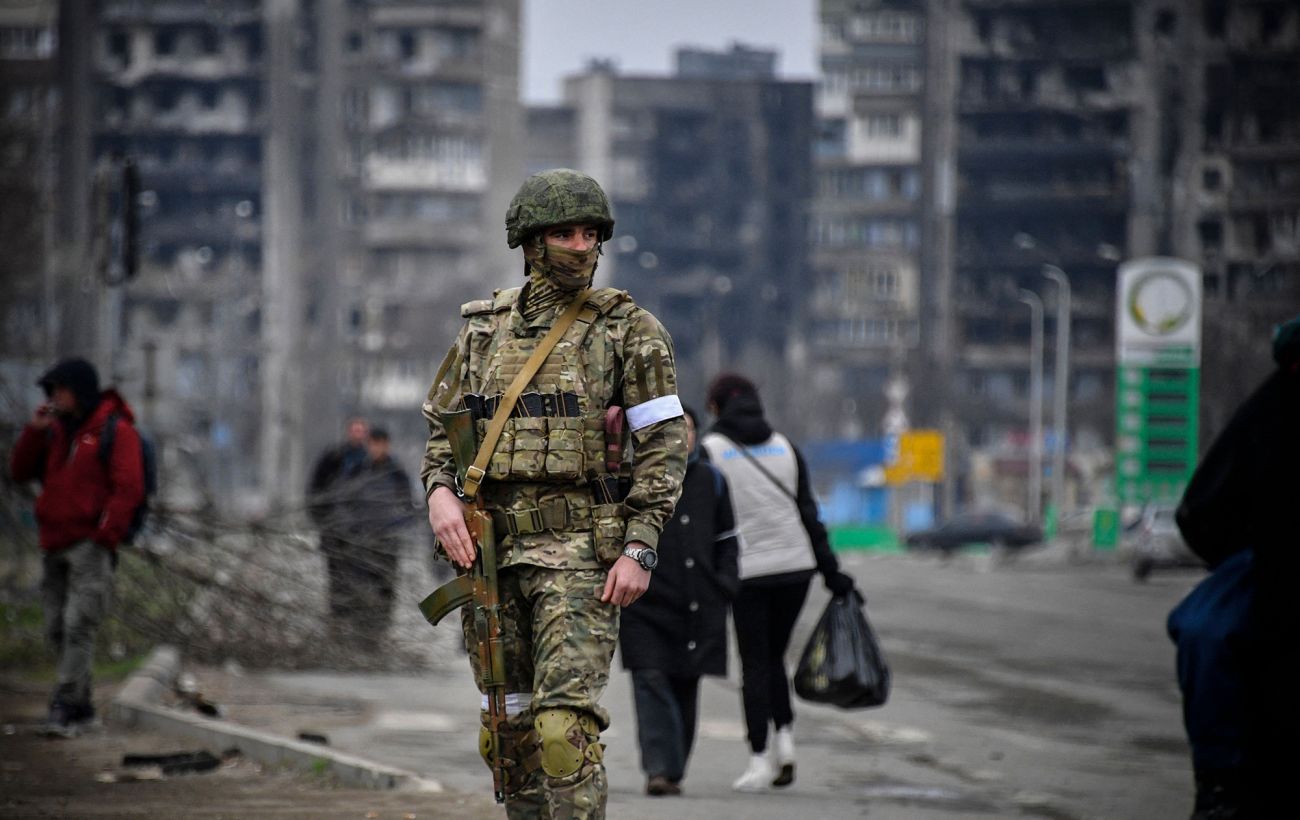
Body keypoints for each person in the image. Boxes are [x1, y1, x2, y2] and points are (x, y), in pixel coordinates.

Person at [421, 168, 687, 818]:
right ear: (531, 243)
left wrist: (641, 546)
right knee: (506, 735)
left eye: (591, 232)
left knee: (561, 735)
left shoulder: (630, 330)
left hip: (579, 558)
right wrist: (439, 494)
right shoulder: (483, 330)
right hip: (492, 558)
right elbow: (442, 432)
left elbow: (665, 445)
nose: (581, 244)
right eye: (565, 232)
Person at [1168, 314, 1300, 819]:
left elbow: (1203, 510)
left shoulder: (1277, 402)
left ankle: (1218, 784)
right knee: (1204, 626)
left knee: (1207, 627)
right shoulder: (1277, 407)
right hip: (1275, 569)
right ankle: (1219, 781)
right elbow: (1203, 509)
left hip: (1271, 575)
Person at [700, 373, 856, 792]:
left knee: (754, 664)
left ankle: (758, 758)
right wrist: (833, 574)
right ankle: (786, 744)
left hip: (747, 572)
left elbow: (704, 518)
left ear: (715, 407)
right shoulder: (786, 447)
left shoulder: (711, 450)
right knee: (775, 660)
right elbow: (809, 514)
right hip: (796, 569)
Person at [9, 357, 145, 736]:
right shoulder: (54, 433)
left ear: (79, 391)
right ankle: (81, 706)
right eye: (50, 391)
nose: (54, 397)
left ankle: (66, 704)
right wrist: (34, 432)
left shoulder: (115, 431)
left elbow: (128, 487)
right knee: (55, 626)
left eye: (60, 389)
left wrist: (105, 534)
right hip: (55, 543)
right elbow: (20, 471)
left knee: (78, 624)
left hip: (90, 546)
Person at [619, 405, 740, 797]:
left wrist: (725, 584)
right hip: (646, 602)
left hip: (698, 604)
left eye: (685, 429)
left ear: (696, 435)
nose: (679, 437)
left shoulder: (712, 481)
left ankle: (673, 768)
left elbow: (727, 541)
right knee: (650, 677)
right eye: (670, 430)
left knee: (686, 684)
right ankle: (659, 769)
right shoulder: (635, 478)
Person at [343, 427, 417, 649]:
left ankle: (379, 633)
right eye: (373, 444)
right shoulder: (358, 470)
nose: (377, 448)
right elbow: (345, 501)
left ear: (387, 445)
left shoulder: (396, 472)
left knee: (385, 587)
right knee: (358, 586)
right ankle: (360, 634)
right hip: (361, 539)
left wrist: (394, 527)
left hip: (387, 542)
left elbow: (408, 506)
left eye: (380, 444)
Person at [307, 417, 374, 647]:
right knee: (337, 582)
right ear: (348, 431)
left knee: (363, 582)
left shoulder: (370, 460)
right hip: (336, 533)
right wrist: (323, 522)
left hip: (363, 536)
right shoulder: (334, 458)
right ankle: (338, 629)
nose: (358, 434)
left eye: (361, 430)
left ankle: (360, 632)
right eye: (355, 429)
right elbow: (315, 491)